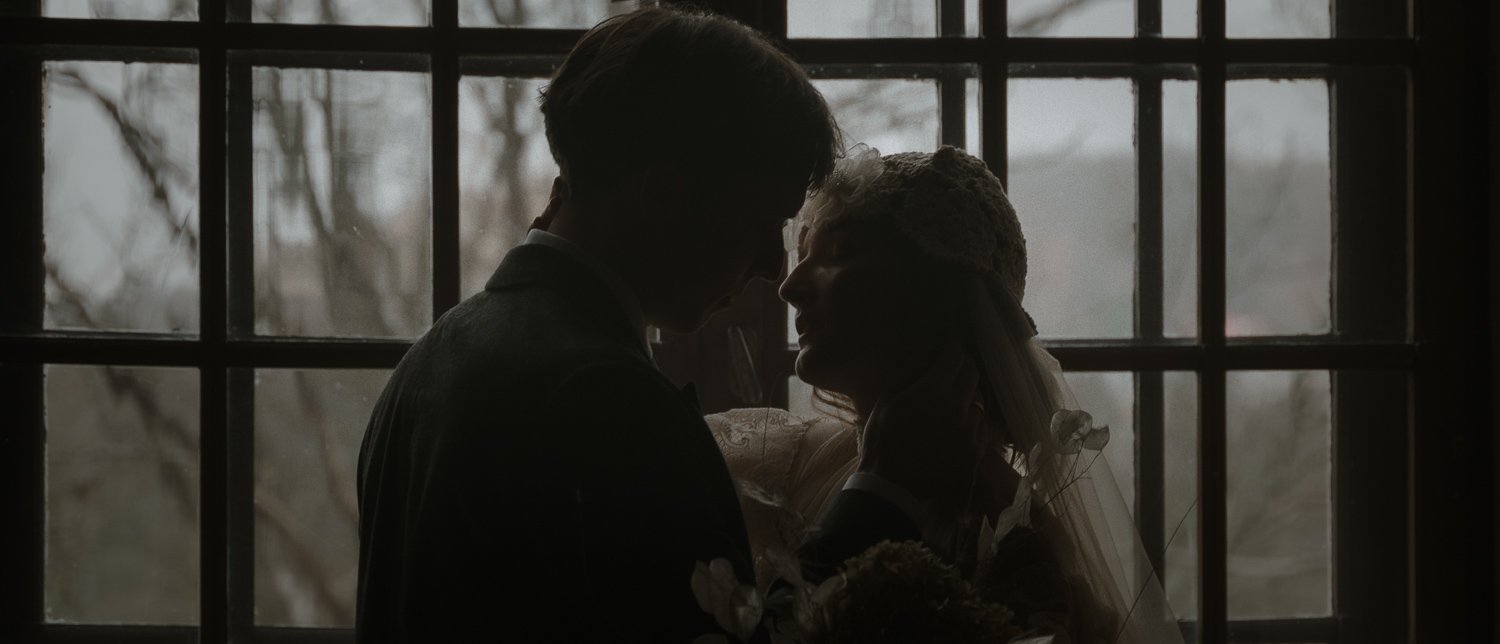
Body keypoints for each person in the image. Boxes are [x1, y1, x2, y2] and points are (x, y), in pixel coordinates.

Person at [356, 8, 954, 642]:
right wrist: (883, 496)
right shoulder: (609, 399)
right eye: (759, 224)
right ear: (665, 195)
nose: (771, 268)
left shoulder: (425, 366)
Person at [708, 145, 1186, 643]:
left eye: (840, 254)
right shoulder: (775, 464)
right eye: (802, 255)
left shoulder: (1008, 542)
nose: (790, 287)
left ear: (936, 296)